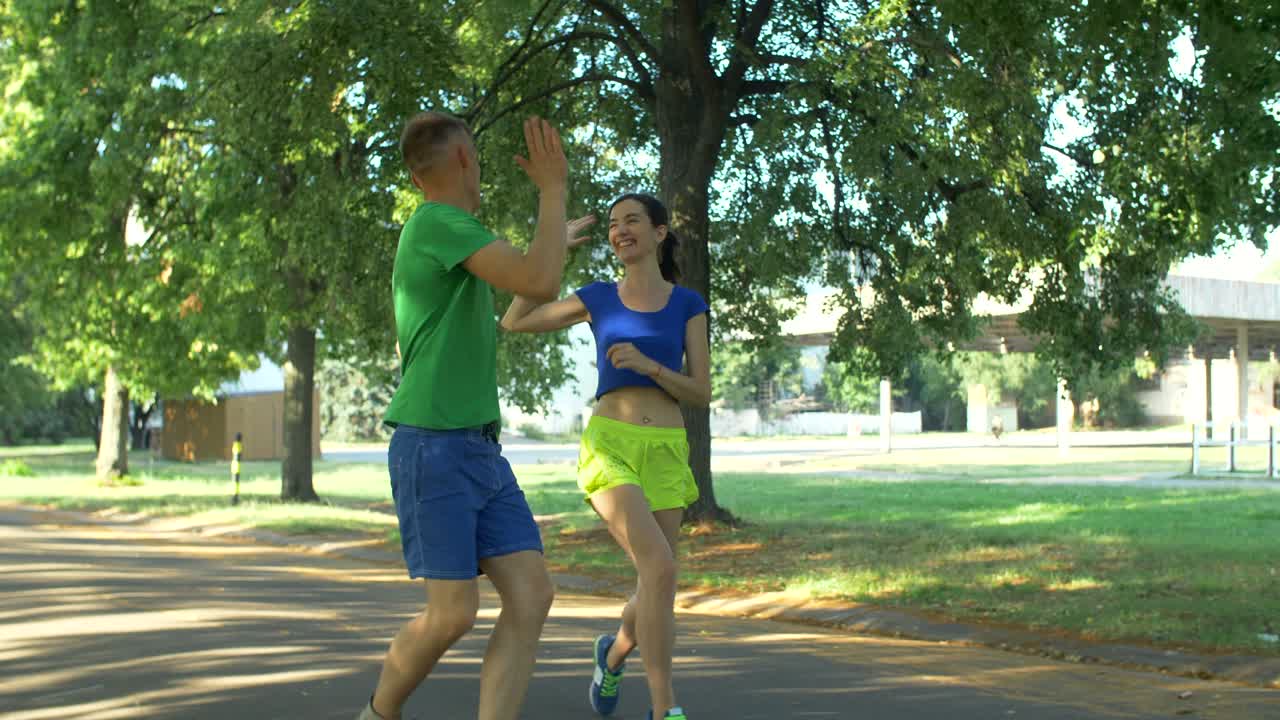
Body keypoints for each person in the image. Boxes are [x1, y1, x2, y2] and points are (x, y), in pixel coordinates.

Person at [357, 113, 573, 720]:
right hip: (436, 445)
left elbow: (522, 301)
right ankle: (377, 714)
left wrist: (557, 231)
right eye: (476, 155)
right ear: (460, 160)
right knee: (452, 612)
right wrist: (552, 190)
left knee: (531, 594)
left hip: (477, 446)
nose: (480, 168)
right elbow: (542, 276)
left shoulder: (450, 235)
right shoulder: (438, 222)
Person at [500, 193, 711, 720]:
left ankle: (613, 653)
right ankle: (666, 710)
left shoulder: (688, 303)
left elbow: (702, 391)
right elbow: (515, 320)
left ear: (660, 233)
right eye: (614, 224)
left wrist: (650, 366)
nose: (620, 231)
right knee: (659, 567)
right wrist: (554, 249)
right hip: (610, 444)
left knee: (658, 578)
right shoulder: (597, 297)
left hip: (665, 448)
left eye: (632, 221)